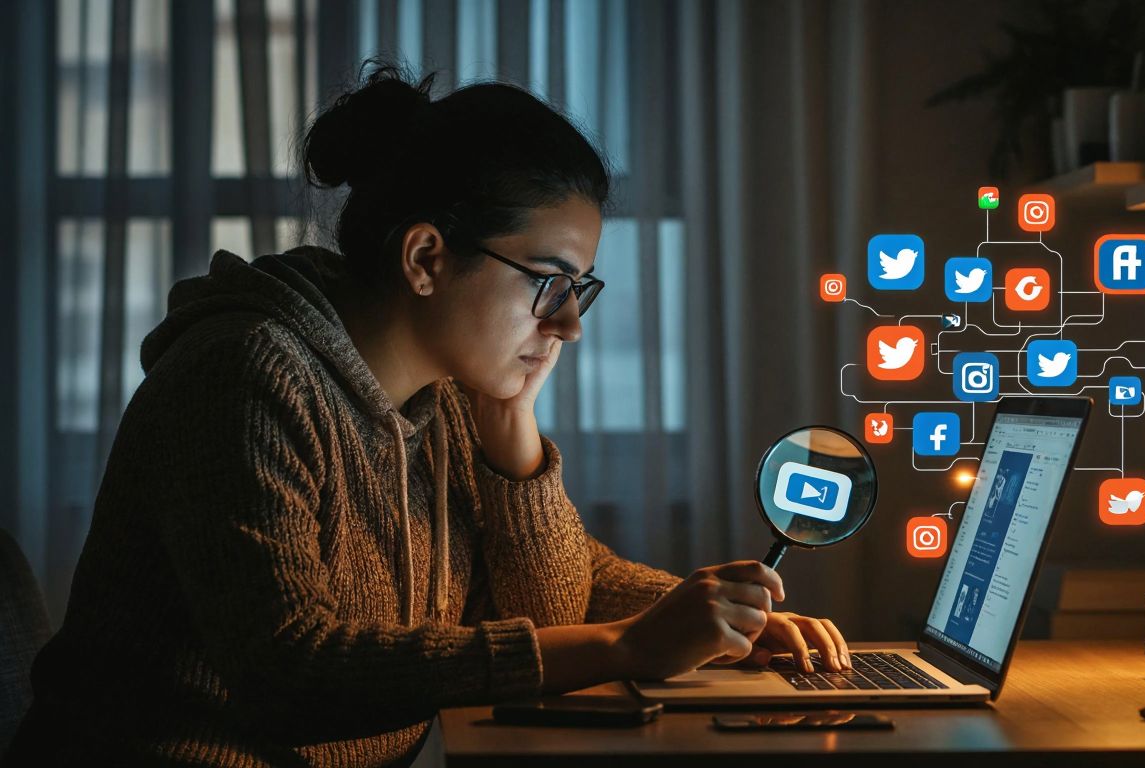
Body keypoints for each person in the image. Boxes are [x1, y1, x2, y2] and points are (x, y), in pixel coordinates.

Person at [4, 65, 851, 766]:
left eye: (579, 290)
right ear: (425, 257)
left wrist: (726, 620)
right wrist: (628, 646)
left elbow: (554, 601)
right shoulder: (247, 373)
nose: (568, 324)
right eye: (549, 283)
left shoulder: (439, 396)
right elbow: (290, 674)